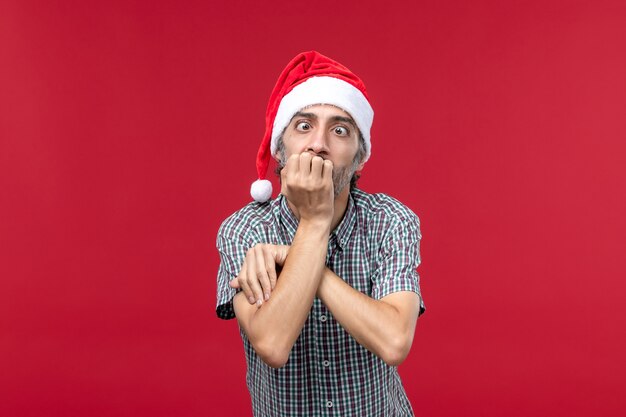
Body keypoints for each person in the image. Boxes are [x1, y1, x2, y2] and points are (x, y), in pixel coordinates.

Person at [216, 50, 425, 416]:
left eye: (340, 129)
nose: (319, 144)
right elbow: (272, 344)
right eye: (304, 126)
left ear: (360, 157)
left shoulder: (391, 220)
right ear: (281, 148)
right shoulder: (244, 229)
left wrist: (301, 254)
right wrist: (315, 225)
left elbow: (394, 342)